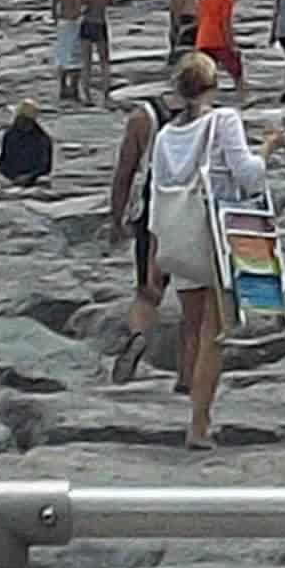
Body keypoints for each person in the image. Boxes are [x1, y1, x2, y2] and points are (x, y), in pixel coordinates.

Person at [148, 52, 285, 449]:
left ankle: (190, 395)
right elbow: (248, 175)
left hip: (177, 233)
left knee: (191, 325)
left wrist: (156, 257)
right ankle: (199, 423)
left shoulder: (164, 135)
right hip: (216, 233)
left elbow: (156, 190)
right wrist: (268, 147)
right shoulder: (223, 120)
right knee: (214, 332)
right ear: (213, 86)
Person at [108, 90, 191, 391]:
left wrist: (116, 218)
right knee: (193, 294)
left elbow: (125, 172)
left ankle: (138, 334)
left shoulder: (143, 117)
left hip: (154, 204)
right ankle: (186, 376)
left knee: (148, 289)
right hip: (194, 205)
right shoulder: (213, 117)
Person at [195, 0, 244, 100]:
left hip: (203, 37)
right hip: (218, 39)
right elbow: (225, 22)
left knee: (206, 73)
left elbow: (199, 13)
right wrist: (231, 44)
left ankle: (205, 99)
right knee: (236, 71)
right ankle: (242, 98)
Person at [51, 0, 85, 101]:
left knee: (63, 55)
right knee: (76, 56)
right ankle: (74, 88)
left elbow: (54, 0)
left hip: (62, 20)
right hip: (74, 20)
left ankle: (63, 87)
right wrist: (80, 13)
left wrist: (54, 16)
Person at [79, 0, 114, 106]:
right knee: (104, 62)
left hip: (87, 24)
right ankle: (106, 95)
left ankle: (86, 95)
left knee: (86, 62)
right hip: (100, 24)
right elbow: (110, 3)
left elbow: (82, 7)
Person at [0, 99, 53, 186]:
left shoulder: (42, 139)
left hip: (33, 180)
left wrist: (29, 177)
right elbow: (3, 160)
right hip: (9, 179)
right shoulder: (10, 135)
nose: (17, 121)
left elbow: (44, 167)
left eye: (20, 118)